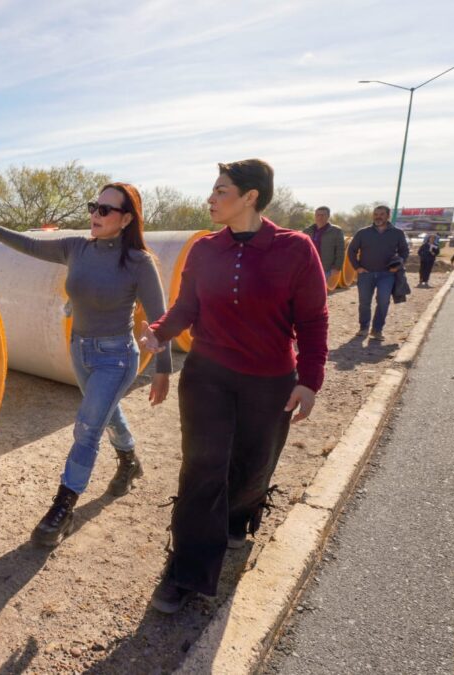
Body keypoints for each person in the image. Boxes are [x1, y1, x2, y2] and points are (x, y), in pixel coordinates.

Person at [139, 159, 328, 613]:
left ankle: (239, 520)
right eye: (213, 189)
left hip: (270, 381)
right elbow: (186, 307)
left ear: (251, 197)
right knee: (203, 470)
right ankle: (185, 572)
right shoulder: (204, 250)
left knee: (252, 465)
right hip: (208, 376)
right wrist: (159, 332)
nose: (210, 198)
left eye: (221, 191)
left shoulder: (296, 249)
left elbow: (313, 319)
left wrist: (310, 381)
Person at [0, 183, 172, 547]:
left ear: (127, 218)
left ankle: (62, 508)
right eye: (94, 206)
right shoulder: (76, 248)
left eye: (105, 210)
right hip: (80, 351)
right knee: (106, 412)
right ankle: (129, 458)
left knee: (87, 426)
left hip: (116, 357)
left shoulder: (139, 262)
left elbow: (160, 318)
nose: (95, 215)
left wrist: (163, 369)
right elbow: (32, 246)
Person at [346, 206, 409, 340]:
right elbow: (351, 251)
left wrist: (397, 266)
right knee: (364, 302)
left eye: (381, 214)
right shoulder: (363, 233)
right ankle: (363, 328)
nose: (378, 216)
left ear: (388, 216)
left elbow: (404, 252)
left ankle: (377, 330)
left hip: (387, 275)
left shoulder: (397, 233)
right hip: (365, 274)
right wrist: (357, 267)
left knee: (383, 301)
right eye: (376, 214)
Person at [302, 206, 345, 284]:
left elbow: (340, 250)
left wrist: (337, 267)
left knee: (318, 291)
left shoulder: (336, 231)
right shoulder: (307, 230)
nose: (320, 217)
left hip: (325, 268)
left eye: (323, 215)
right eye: (318, 215)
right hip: (308, 267)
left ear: (328, 216)